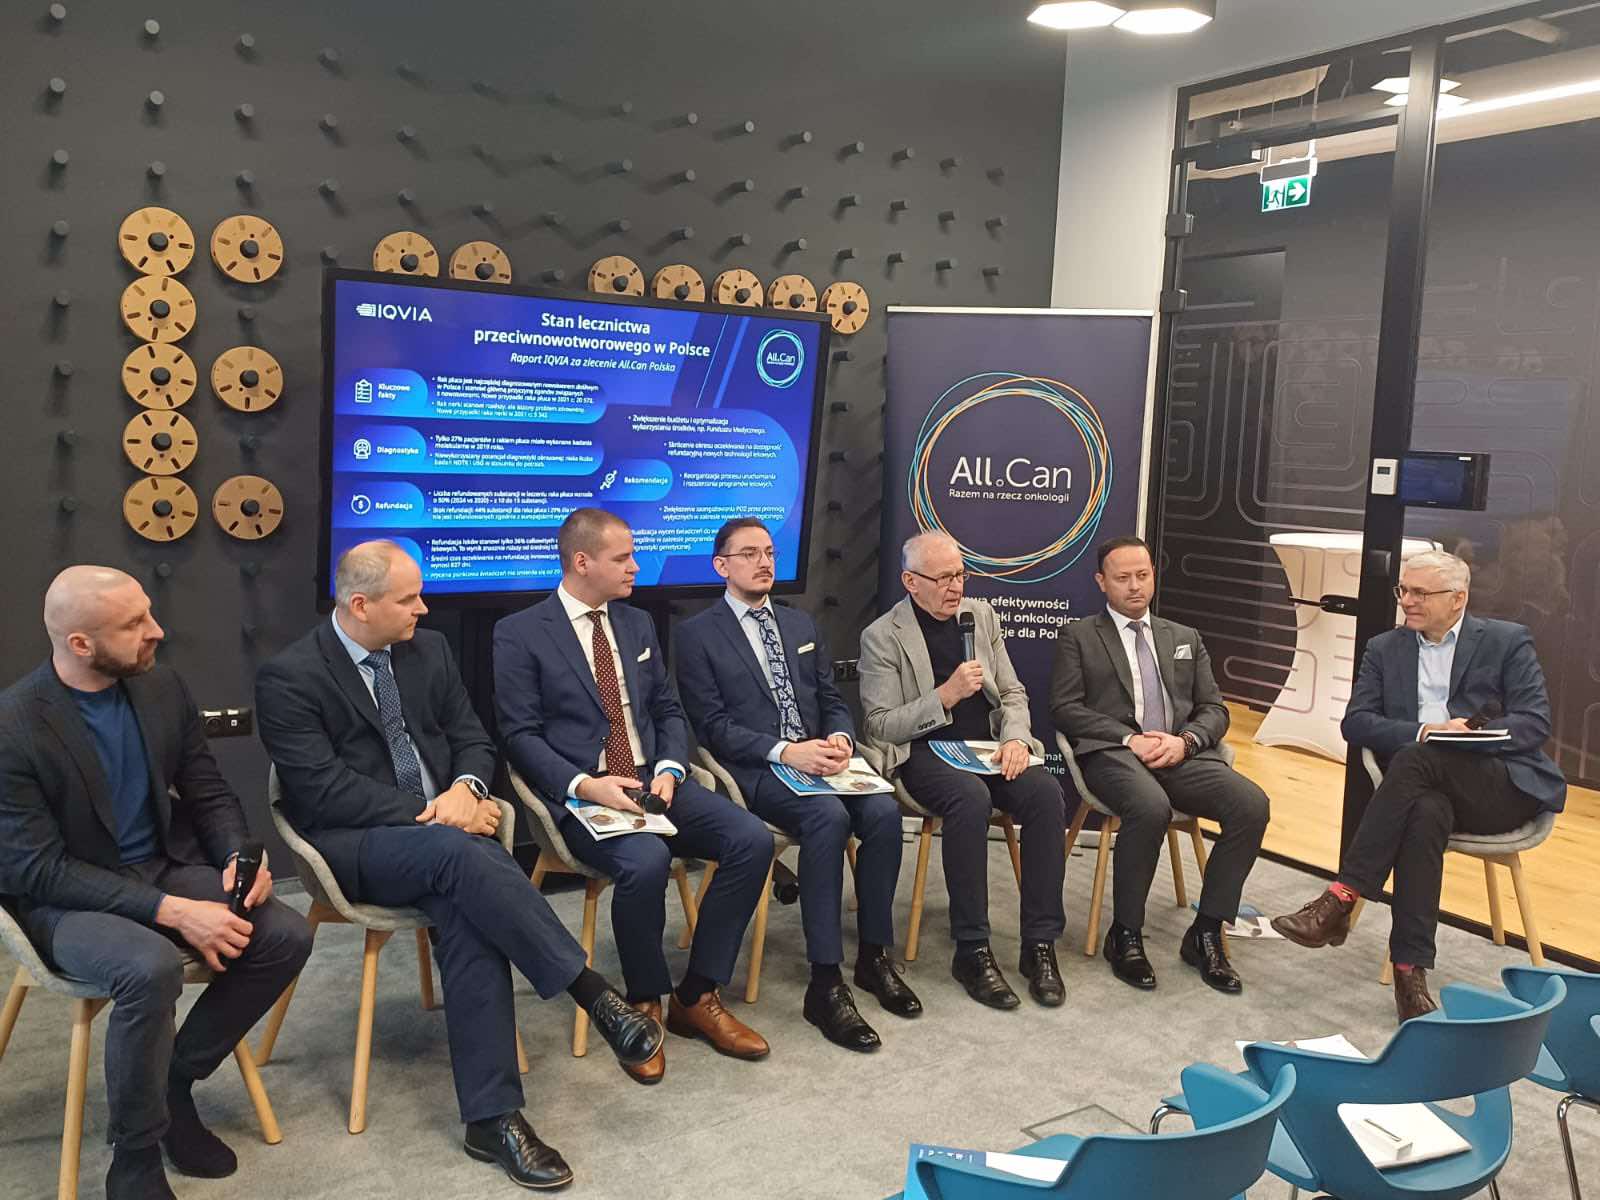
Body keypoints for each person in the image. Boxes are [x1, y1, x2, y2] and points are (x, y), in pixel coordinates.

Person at [256, 541, 662, 1191]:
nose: (423, 608)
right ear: (360, 606)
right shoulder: (290, 676)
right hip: (356, 846)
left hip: (450, 842)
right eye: (408, 599)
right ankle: (592, 992)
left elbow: (473, 737)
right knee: (460, 854)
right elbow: (321, 792)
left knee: (467, 910)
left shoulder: (429, 650)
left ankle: (492, 1118)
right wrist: (436, 810)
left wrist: (468, 789)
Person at [0, 567, 313, 1200]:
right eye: (134, 624)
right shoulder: (14, 725)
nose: (157, 631)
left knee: (284, 933)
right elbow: (37, 869)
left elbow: (208, 791)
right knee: (148, 968)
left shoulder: (160, 686)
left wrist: (236, 856)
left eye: (148, 613)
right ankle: (136, 1153)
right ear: (81, 643)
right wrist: (172, 910)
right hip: (66, 897)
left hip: (161, 864)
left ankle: (172, 1082)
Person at [494, 509, 774, 1083]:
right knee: (645, 861)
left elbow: (666, 710)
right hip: (583, 793)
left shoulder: (637, 622)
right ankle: (644, 1000)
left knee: (750, 839)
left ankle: (696, 996)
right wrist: (585, 785)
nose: (635, 568)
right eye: (622, 558)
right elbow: (519, 736)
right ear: (582, 562)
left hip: (653, 781)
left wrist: (670, 767)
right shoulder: (520, 632)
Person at [1272, 549, 1566, 1022]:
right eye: (1403, 590)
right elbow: (1356, 722)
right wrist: (1427, 731)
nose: (1407, 601)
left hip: (1496, 786)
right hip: (1423, 789)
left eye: (1420, 593)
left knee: (1414, 759)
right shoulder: (1385, 648)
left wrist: (1470, 736)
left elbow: (1534, 723)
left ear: (1458, 598)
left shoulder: (1506, 641)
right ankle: (1410, 973)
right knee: (1425, 809)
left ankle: (1342, 896)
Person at [675, 518, 919, 1052]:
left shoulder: (800, 623)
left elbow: (830, 698)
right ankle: (825, 982)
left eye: (769, 551)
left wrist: (840, 737)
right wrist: (787, 752)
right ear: (721, 565)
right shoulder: (697, 635)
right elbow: (713, 727)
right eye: (749, 554)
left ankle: (874, 956)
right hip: (759, 768)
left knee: (883, 811)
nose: (764, 562)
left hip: (820, 760)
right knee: (826, 818)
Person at [1050, 537, 1269, 995]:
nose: (1135, 586)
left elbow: (1214, 708)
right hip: (1113, 754)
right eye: (1122, 578)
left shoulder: (1184, 637)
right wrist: (1129, 738)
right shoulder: (1080, 636)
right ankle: (1125, 934)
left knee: (1251, 804)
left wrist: (1185, 741)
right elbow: (1065, 708)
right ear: (1101, 582)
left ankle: (1206, 932)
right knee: (1150, 807)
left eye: (1143, 575)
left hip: (1178, 753)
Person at [858, 531, 1067, 1010]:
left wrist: (1015, 738)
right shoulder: (882, 636)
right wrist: (945, 696)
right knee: (970, 799)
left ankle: (1039, 945)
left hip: (989, 747)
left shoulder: (981, 615)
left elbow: (1012, 692)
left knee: (1044, 793)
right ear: (911, 581)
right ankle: (972, 950)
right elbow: (880, 724)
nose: (955, 587)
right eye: (943, 578)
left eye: (960, 575)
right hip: (925, 753)